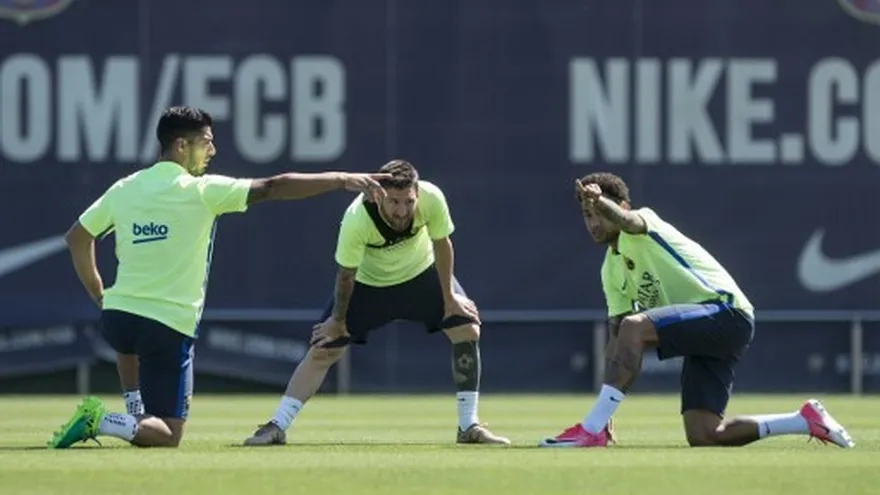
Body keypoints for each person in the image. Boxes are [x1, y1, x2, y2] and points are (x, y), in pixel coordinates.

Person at [48, 106, 390, 449]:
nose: (212, 151)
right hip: (166, 326)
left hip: (117, 320)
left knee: (131, 344)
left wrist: (99, 294)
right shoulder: (201, 190)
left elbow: (77, 238)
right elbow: (274, 186)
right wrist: (342, 179)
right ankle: (104, 420)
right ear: (181, 146)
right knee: (169, 435)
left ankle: (133, 413)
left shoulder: (124, 187)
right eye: (206, 142)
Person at [538, 172, 855, 449]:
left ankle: (589, 431)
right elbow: (617, 337)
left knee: (637, 326)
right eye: (586, 214)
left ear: (620, 207)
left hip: (727, 313)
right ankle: (803, 420)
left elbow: (629, 222)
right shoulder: (610, 269)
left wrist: (600, 200)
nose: (593, 222)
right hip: (706, 330)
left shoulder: (644, 222)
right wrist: (607, 411)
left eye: (598, 212)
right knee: (704, 434)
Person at [243, 159, 510, 446]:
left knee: (466, 329)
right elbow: (346, 275)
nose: (402, 210)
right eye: (394, 202)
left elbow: (442, 244)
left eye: (408, 201)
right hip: (368, 287)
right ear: (378, 194)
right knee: (323, 351)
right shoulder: (357, 218)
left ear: (417, 193)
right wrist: (338, 321)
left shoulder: (432, 198)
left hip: (420, 277)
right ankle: (276, 426)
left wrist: (450, 299)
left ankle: (468, 426)